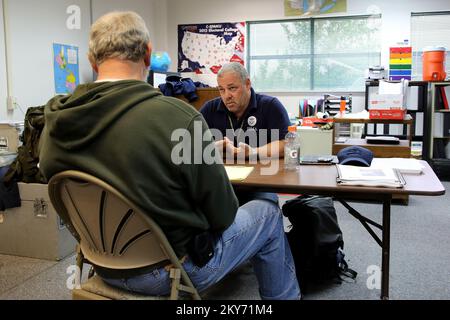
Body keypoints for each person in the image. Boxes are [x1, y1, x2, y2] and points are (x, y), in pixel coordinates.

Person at [39, 11, 300, 300]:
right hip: (172, 269)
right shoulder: (177, 117)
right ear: (148, 55)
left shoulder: (53, 122)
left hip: (99, 262)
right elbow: (223, 214)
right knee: (268, 212)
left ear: (91, 60)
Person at [200, 62, 291, 205]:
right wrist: (211, 148)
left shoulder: (270, 106)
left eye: (232, 88)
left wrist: (252, 152)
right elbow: (192, 146)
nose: (227, 96)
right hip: (222, 184)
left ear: (247, 84)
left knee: (266, 208)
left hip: (260, 185)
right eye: (221, 90)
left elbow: (286, 144)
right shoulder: (209, 109)